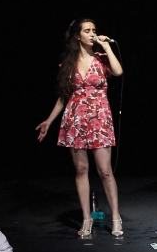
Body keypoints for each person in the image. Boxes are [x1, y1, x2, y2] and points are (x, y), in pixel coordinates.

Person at [34, 17, 125, 238]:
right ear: (78, 36)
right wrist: (49, 121)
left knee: (105, 170)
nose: (92, 33)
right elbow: (63, 97)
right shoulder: (69, 63)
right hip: (75, 119)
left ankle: (116, 216)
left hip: (99, 118)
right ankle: (86, 218)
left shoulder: (102, 58)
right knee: (81, 170)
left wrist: (107, 46)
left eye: (94, 30)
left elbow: (118, 71)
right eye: (87, 30)